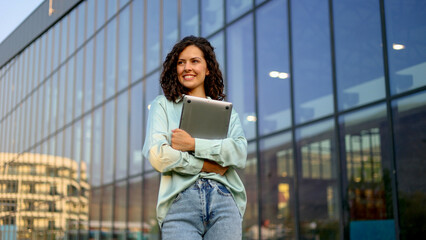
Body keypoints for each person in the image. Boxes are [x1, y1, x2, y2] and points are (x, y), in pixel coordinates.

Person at [142, 35, 247, 239]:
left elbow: (239, 153)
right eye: (181, 62)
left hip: (224, 201)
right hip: (180, 204)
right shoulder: (162, 105)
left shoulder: (227, 113)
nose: (187, 67)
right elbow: (158, 155)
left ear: (208, 69)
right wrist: (209, 166)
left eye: (194, 61)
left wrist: (192, 144)